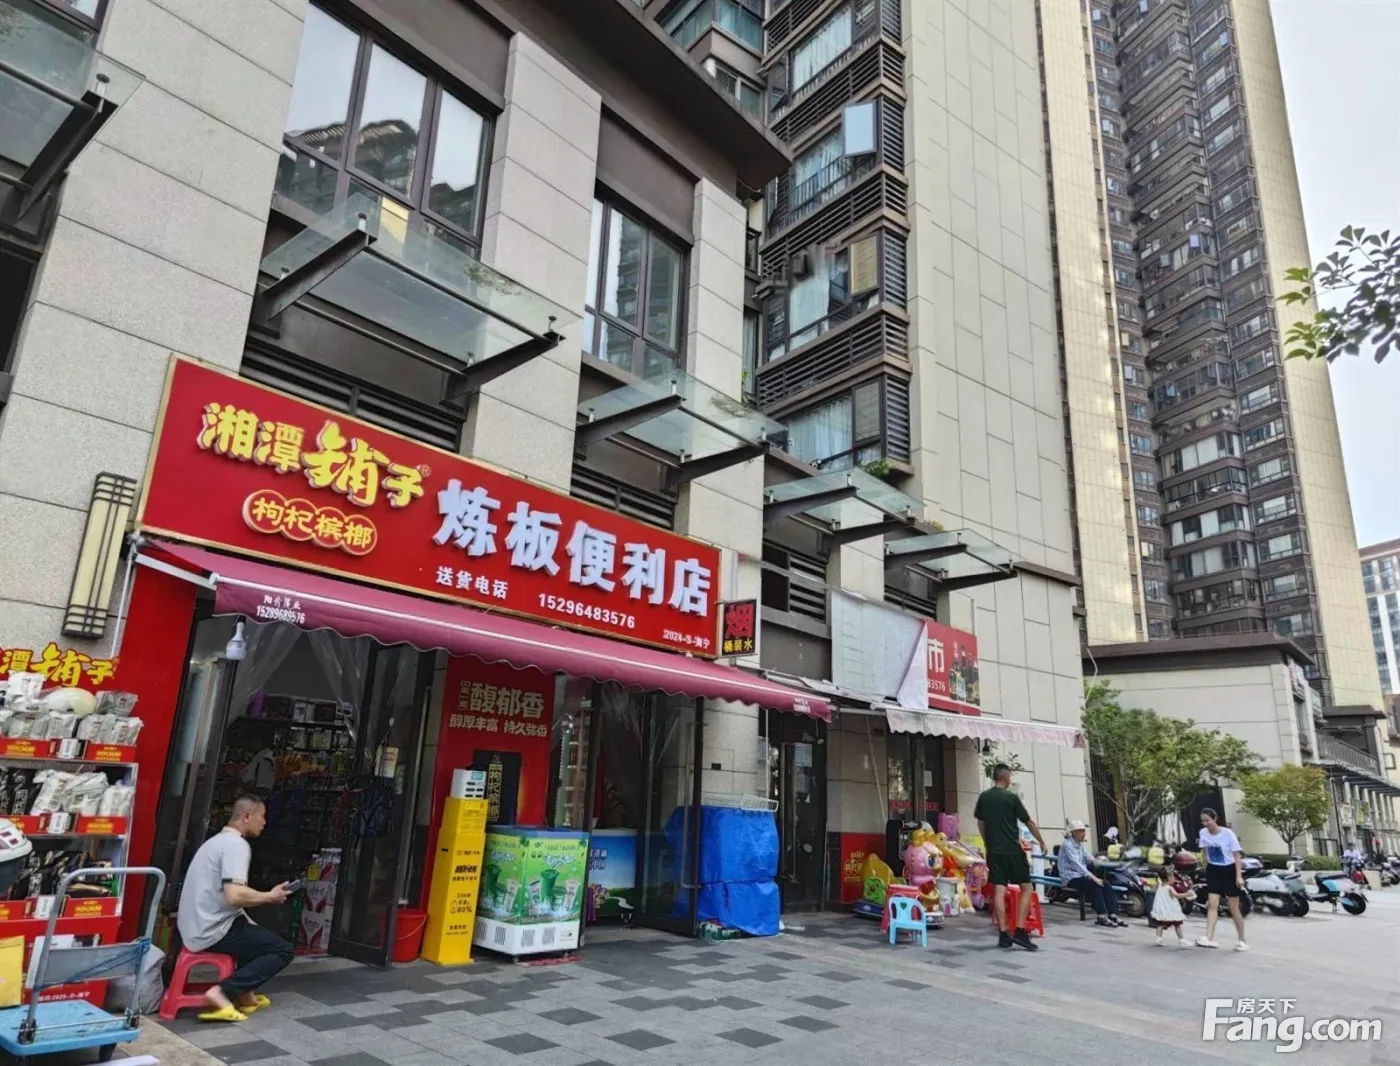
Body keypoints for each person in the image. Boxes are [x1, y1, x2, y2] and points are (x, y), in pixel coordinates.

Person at [177, 795, 294, 1022]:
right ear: (247, 816)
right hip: (211, 929)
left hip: (198, 925)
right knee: (283, 950)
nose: (265, 822)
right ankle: (221, 993)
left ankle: (245, 995)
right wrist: (270, 896)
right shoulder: (236, 845)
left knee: (255, 934)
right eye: (262, 816)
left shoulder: (216, 842)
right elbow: (235, 895)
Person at [974, 764, 1050, 951]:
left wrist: (987, 842)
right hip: (1012, 850)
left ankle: (1003, 934)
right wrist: (1041, 841)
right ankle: (1020, 931)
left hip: (994, 851)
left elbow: (981, 823)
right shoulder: (1011, 798)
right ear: (1005, 776)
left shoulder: (984, 797)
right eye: (1010, 776)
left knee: (999, 891)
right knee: (1027, 887)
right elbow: (1028, 821)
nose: (1011, 780)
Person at [1195, 807, 1247, 951]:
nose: (1205, 823)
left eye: (1208, 820)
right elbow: (1205, 853)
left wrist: (1238, 876)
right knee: (1212, 904)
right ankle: (1209, 937)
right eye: (1203, 821)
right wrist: (1204, 868)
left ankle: (1242, 940)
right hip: (1214, 870)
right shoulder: (1203, 833)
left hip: (1229, 870)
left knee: (1233, 908)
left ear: (1215, 818)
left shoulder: (1228, 834)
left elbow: (1237, 857)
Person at [1057, 820, 1126, 928]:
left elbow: (1088, 857)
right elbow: (1077, 865)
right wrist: (1094, 878)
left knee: (1106, 884)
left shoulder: (1079, 845)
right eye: (1080, 831)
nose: (1083, 833)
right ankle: (1101, 916)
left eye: (1083, 831)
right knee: (1094, 885)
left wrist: (1097, 860)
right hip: (1070, 877)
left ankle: (1112, 914)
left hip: (1081, 876)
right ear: (1073, 832)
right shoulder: (1067, 845)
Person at [1150, 864, 1191, 947]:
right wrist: (1187, 894)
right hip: (1171, 911)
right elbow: (1177, 895)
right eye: (1172, 877)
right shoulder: (1169, 888)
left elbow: (1154, 887)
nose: (1174, 878)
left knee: (1160, 924)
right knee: (1177, 925)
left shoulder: (1160, 885)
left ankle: (1158, 938)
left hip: (1162, 911)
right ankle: (1181, 940)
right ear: (1168, 877)